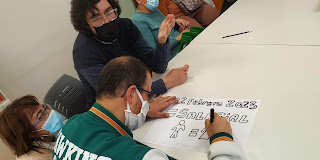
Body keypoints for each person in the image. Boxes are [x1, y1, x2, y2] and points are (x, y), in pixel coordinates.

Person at [52, 56, 247, 160]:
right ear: (131, 94)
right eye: (147, 95)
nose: (148, 102)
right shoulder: (139, 156)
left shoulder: (70, 126)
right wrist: (221, 139)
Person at [70, 0, 189, 109]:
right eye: (96, 17)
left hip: (142, 97)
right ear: (85, 23)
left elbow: (158, 66)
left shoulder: (126, 26)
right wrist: (166, 82)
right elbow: (117, 97)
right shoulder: (83, 52)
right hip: (111, 113)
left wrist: (162, 41)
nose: (106, 21)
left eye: (109, 12)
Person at [0, 95, 64, 160]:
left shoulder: (49, 134)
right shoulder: (34, 158)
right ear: (30, 133)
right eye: (41, 115)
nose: (50, 113)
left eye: (45, 108)